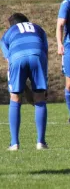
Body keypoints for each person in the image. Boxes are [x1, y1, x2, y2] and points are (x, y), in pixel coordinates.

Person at [1, 13, 49, 151]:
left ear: (12, 25)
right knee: (39, 98)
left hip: (17, 57)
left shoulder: (9, 33)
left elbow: (10, 59)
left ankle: (14, 143)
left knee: (15, 99)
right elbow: (45, 52)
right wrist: (44, 82)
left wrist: (21, 89)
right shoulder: (38, 29)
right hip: (37, 55)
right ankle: (41, 142)